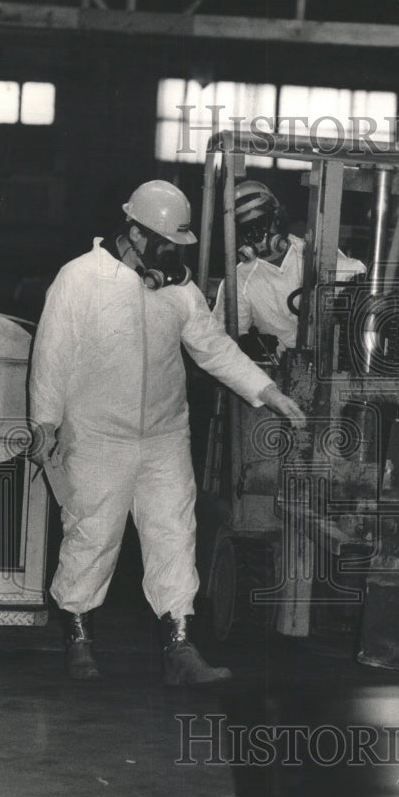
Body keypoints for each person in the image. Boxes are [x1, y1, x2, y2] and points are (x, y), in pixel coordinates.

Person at [28, 180, 305, 683]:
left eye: (174, 248)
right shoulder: (78, 279)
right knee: (92, 534)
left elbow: (214, 348)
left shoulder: (178, 288)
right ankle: (78, 638)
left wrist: (267, 392)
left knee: (175, 534)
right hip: (96, 437)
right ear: (133, 232)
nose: (168, 257)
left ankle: (179, 649)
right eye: (161, 246)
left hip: (163, 436)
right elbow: (51, 355)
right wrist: (44, 422)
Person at [212, 180, 366, 355]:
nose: (256, 235)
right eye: (247, 228)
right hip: (278, 369)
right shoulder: (238, 280)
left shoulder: (313, 253)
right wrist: (246, 344)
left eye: (261, 223)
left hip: (329, 358)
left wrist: (353, 289)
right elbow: (222, 337)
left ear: (277, 217)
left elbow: (354, 271)